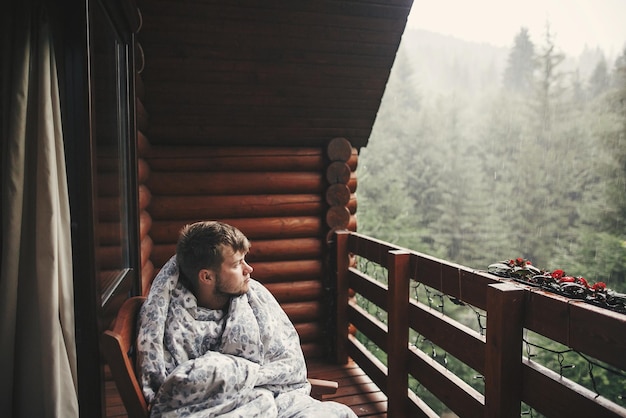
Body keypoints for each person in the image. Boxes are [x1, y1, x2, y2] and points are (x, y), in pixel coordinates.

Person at [137, 221, 357, 417]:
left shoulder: (254, 299)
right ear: (207, 276)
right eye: (236, 264)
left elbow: (287, 362)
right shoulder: (176, 325)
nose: (248, 269)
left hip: (280, 399)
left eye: (245, 260)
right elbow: (180, 389)